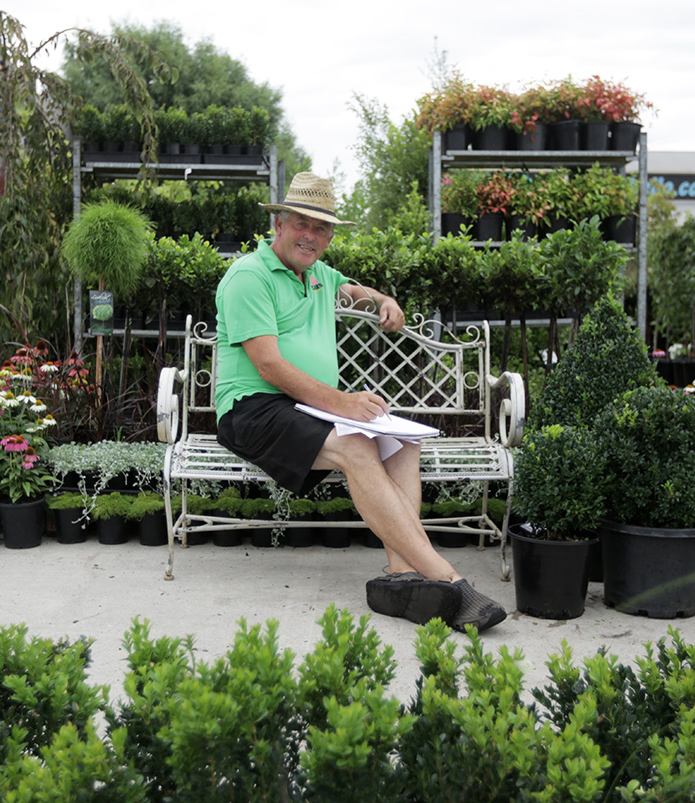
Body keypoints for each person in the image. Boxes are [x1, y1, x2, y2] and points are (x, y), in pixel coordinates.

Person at [214, 172, 506, 632]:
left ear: (329, 236)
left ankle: (400, 576)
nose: (310, 236)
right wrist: (342, 404)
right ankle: (448, 579)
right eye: (301, 224)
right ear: (279, 225)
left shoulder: (317, 275)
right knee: (357, 446)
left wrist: (383, 298)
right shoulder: (249, 276)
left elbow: (352, 290)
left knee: (402, 443)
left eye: (321, 228)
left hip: (305, 408)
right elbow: (268, 367)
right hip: (253, 408)